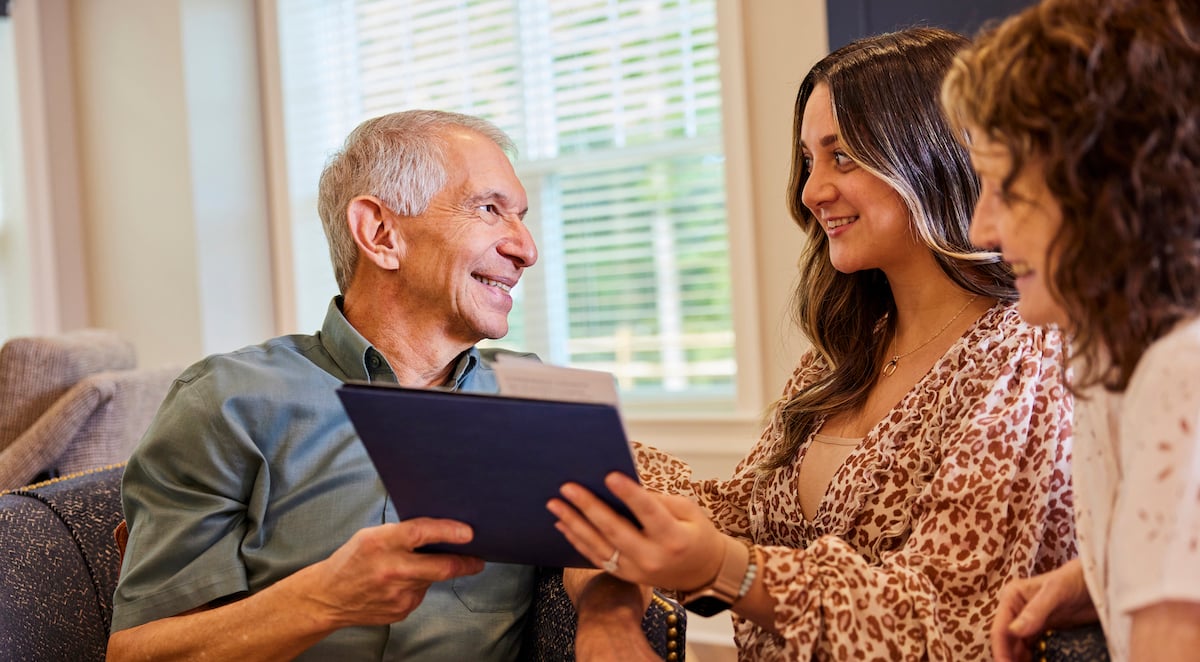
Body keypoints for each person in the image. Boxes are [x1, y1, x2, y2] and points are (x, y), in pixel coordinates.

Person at [547, 27, 1078, 660]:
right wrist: (581, 457)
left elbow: (949, 615)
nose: (810, 190)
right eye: (808, 159)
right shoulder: (842, 359)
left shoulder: (1024, 358)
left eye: (843, 156)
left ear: (930, 156)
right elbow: (737, 513)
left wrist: (728, 569)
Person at [107, 109, 631, 660]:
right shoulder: (227, 400)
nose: (526, 249)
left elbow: (601, 545)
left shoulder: (537, 394)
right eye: (489, 210)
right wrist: (324, 599)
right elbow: (137, 651)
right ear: (381, 234)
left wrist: (610, 625)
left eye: (520, 217)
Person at [940, 1, 1200, 660]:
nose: (981, 231)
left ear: (1103, 191)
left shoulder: (1182, 370)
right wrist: (1095, 577)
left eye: (1007, 190)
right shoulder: (1102, 347)